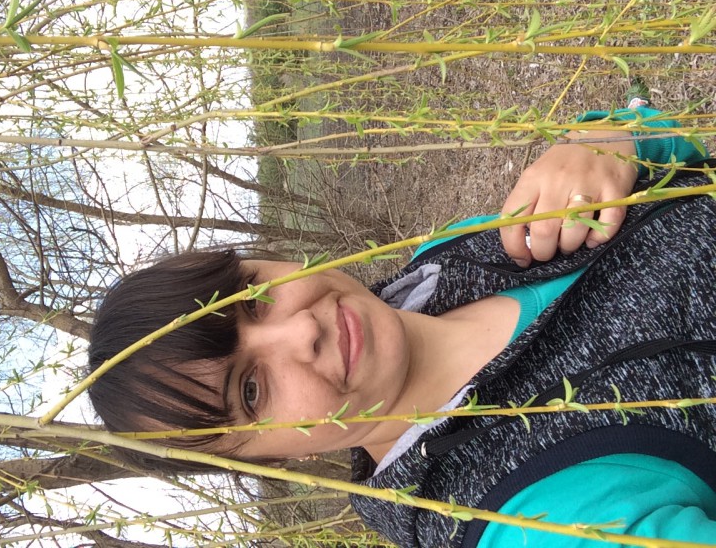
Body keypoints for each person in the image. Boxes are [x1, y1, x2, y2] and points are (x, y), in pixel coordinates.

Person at [88, 103, 716, 547]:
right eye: (251, 390)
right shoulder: (522, 516)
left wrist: (610, 142)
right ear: (265, 460)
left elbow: (676, 154)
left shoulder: (444, 260)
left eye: (252, 298)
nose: (300, 332)